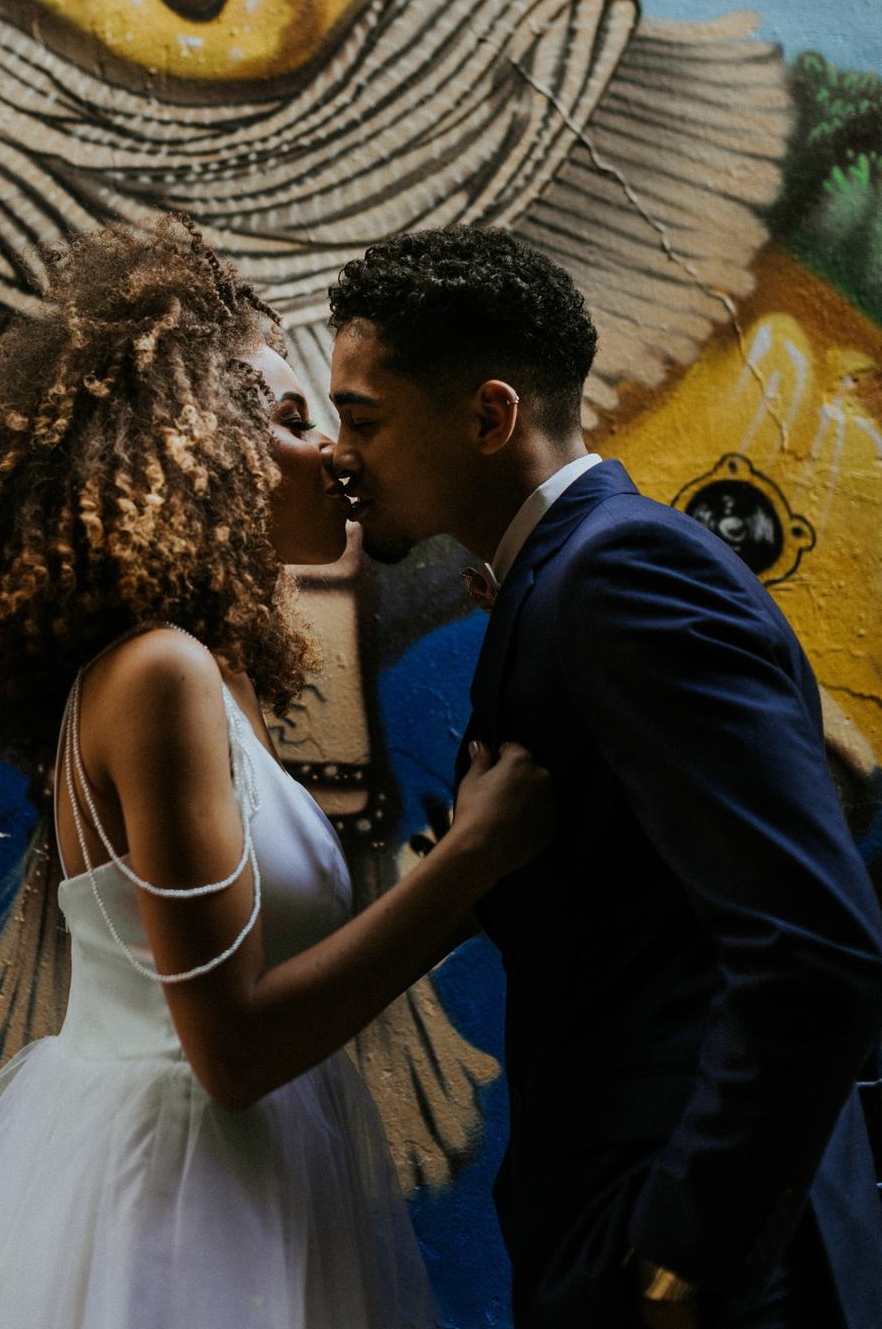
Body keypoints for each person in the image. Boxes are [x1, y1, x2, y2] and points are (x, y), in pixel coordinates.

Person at [0, 214, 556, 1329]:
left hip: (237, 1179)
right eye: (295, 421)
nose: (336, 454)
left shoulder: (219, 675)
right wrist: (475, 863)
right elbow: (234, 1049)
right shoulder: (162, 673)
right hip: (169, 1202)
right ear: (200, 449)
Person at [326, 223, 882, 1329]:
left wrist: (681, 1263)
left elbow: (814, 944)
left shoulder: (617, 570)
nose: (341, 454)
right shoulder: (566, 575)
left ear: (489, 416)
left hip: (701, 1257)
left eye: (363, 419)